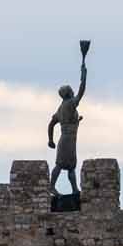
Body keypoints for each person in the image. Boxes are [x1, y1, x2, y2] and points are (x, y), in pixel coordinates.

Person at [48, 56, 87, 196]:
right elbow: (81, 92)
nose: (72, 92)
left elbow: (51, 124)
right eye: (71, 91)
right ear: (68, 93)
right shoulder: (70, 103)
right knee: (62, 164)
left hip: (67, 138)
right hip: (68, 139)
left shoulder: (61, 108)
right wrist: (84, 76)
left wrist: (51, 140)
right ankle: (51, 186)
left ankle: (74, 189)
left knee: (70, 165)